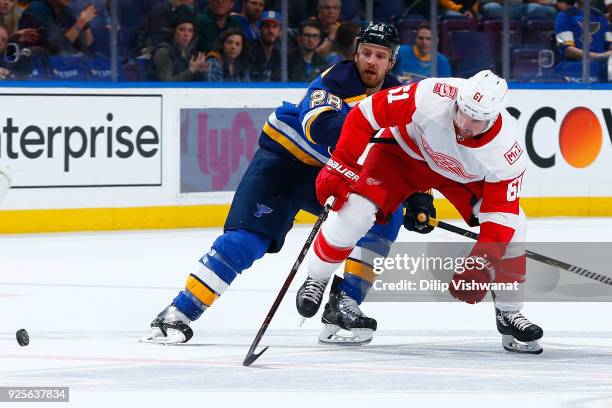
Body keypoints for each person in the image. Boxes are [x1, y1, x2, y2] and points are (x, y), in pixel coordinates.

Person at [142, 22, 413, 346]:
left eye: (380, 56)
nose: (371, 61)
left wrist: (416, 194)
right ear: (355, 53)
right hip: (284, 163)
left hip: (329, 174)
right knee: (247, 241)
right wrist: (375, 121)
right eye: (366, 53)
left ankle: (345, 305)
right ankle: (177, 313)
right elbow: (319, 129)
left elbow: (411, 149)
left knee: (386, 214)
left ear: (391, 61)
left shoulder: (398, 95)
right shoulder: (334, 80)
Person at [295, 69, 545, 354]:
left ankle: (509, 312)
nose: (463, 123)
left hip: (461, 177)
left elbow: (502, 214)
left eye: (475, 119)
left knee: (517, 225)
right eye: (461, 111)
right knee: (356, 211)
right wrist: (341, 162)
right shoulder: (432, 94)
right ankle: (317, 276)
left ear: (494, 116)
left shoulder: (507, 153)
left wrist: (483, 262)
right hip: (404, 154)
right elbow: (365, 114)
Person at [555, 0, 611, 81]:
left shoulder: (600, 16)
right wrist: (597, 56)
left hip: (603, 68)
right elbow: (568, 50)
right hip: (575, 66)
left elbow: (609, 44)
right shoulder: (565, 16)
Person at [18, 0, 96, 55]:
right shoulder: (36, 9)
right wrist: (82, 21)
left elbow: (85, 46)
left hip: (54, 68)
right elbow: (59, 48)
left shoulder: (66, 11)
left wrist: (86, 23)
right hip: (31, 69)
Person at [151, 6, 207, 81]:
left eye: (190, 30)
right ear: (173, 31)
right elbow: (166, 86)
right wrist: (191, 71)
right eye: (182, 29)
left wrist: (201, 72)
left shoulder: (191, 54)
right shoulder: (163, 53)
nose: (186, 34)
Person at [247, 9, 280, 81]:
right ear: (259, 29)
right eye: (266, 26)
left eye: (274, 27)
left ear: (280, 31)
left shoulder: (281, 53)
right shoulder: (249, 49)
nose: (270, 30)